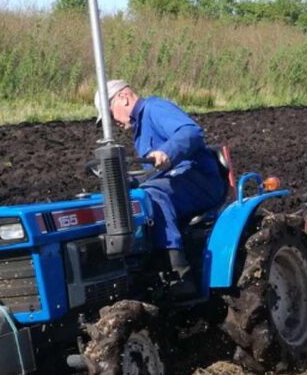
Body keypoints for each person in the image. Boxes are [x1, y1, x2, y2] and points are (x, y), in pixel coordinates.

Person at [95, 80, 226, 295]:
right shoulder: (140, 130)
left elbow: (191, 132)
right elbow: (154, 172)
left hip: (199, 179)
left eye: (109, 114)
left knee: (153, 196)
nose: (112, 122)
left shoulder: (154, 109)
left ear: (123, 98)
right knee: (129, 197)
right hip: (177, 182)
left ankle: (177, 272)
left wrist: (167, 151)